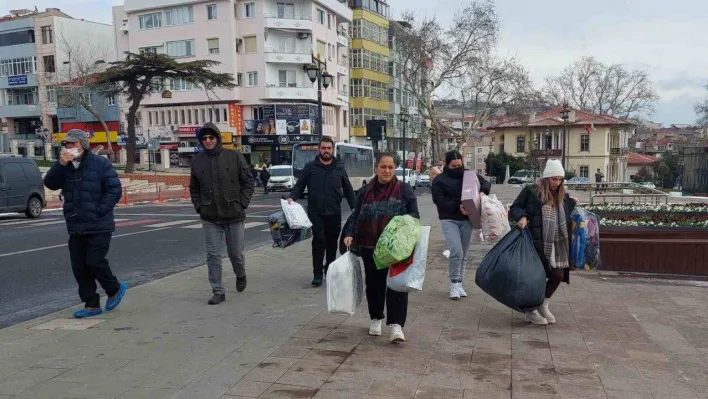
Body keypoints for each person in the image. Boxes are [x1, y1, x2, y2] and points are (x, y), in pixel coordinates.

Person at [43, 129, 128, 318]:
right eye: (66, 144)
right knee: (80, 267)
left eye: (73, 143)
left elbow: (114, 189)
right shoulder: (64, 166)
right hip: (76, 225)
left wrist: (99, 211)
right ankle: (91, 304)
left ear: (83, 145)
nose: (69, 147)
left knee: (95, 261)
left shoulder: (100, 164)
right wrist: (60, 164)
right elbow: (50, 183)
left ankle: (114, 288)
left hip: (99, 224)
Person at [343, 151, 419, 343]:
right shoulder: (365, 191)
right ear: (376, 168)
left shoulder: (404, 190)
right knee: (375, 285)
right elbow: (355, 214)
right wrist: (349, 233)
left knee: (397, 285)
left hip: (396, 248)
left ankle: (396, 325)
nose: (387, 170)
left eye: (390, 167)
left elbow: (414, 216)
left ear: (395, 168)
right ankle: (376, 318)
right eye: (383, 167)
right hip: (370, 245)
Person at [189, 123, 255, 305]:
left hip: (234, 214)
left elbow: (249, 182)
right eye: (204, 139)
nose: (208, 141)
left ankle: (240, 274)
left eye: (211, 137)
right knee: (213, 255)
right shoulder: (197, 161)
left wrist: (242, 203)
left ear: (217, 138)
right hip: (210, 216)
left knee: (236, 254)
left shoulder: (234, 156)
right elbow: (194, 188)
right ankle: (218, 291)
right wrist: (199, 206)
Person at [509, 159, 576, 325]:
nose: (557, 183)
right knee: (535, 278)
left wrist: (573, 205)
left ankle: (542, 304)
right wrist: (522, 216)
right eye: (554, 179)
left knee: (558, 274)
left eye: (560, 179)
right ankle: (529, 310)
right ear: (546, 178)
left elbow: (566, 217)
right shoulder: (531, 191)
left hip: (557, 244)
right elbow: (515, 208)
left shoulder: (563, 196)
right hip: (534, 242)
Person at [287, 136, 356, 286]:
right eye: (323, 148)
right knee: (318, 241)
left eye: (329, 148)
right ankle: (317, 274)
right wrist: (292, 198)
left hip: (334, 212)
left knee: (332, 243)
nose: (326, 151)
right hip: (315, 212)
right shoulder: (310, 167)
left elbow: (348, 189)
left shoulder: (339, 167)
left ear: (332, 150)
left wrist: (354, 206)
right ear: (319, 150)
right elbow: (300, 185)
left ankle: (329, 270)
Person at [432, 150, 491, 300]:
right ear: (447, 164)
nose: (458, 168)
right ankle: (453, 283)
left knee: (464, 254)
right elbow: (439, 201)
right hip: (449, 219)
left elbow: (485, 183)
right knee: (456, 251)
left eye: (460, 165)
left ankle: (459, 283)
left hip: (467, 219)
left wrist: (483, 192)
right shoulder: (440, 180)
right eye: (454, 166)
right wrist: (457, 206)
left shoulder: (469, 174)